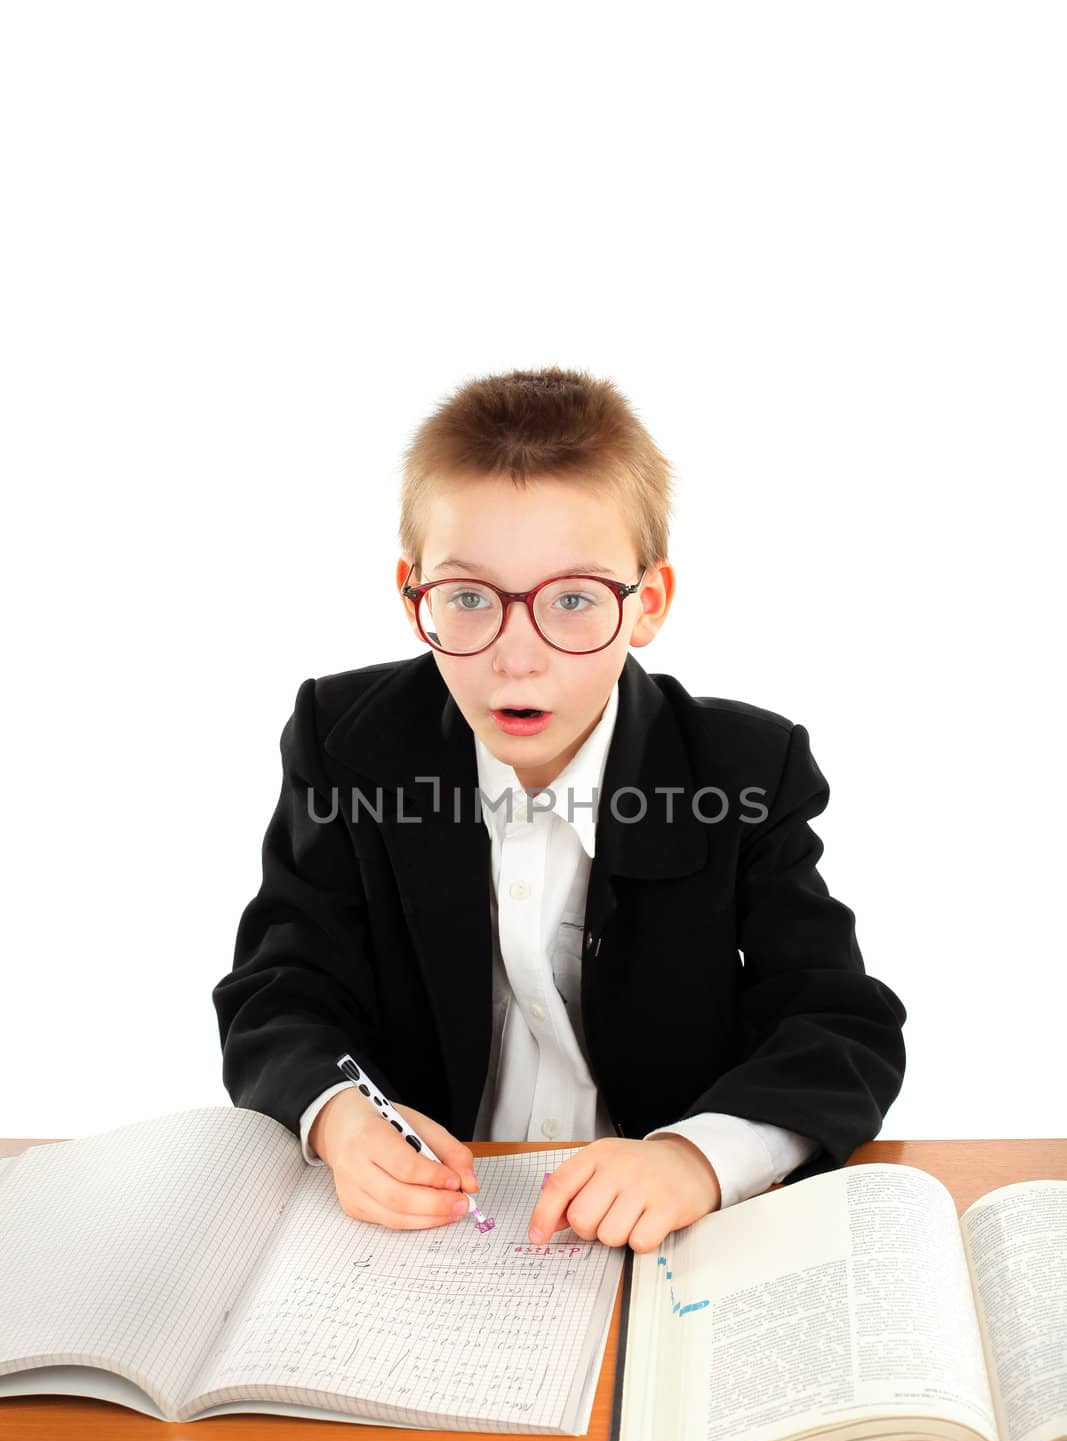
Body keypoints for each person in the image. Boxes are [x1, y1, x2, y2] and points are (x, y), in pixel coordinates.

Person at [212, 365, 906, 1254]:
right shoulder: (347, 741)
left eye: (573, 600)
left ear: (645, 604)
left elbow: (839, 1021)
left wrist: (697, 1158)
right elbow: (280, 986)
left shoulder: (741, 768)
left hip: (671, 1237)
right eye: (467, 598)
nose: (517, 656)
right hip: (431, 1234)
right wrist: (340, 1116)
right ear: (411, 593)